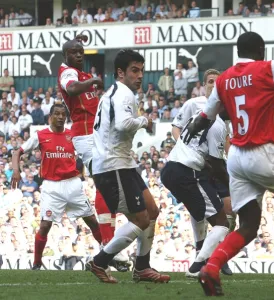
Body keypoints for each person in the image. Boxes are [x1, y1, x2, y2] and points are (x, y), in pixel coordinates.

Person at [184, 31, 274, 296]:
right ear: (260, 50)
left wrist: (192, 127)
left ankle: (211, 267)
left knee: (248, 226)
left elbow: (205, 116)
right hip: (263, 150)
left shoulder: (224, 79)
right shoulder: (268, 69)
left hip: (237, 157)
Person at [87, 49, 170, 284]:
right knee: (141, 219)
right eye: (135, 70)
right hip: (113, 166)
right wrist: (145, 120)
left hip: (123, 163)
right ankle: (100, 262)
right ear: (120, 72)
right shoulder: (123, 93)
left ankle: (142, 267)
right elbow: (124, 125)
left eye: (141, 70)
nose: (140, 75)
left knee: (152, 211)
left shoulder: (114, 93)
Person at [58, 34, 129, 271]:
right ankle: (109, 244)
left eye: (81, 51)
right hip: (85, 135)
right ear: (66, 55)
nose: (80, 54)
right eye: (75, 52)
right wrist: (93, 82)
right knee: (104, 183)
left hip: (96, 133)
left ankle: (109, 247)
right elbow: (72, 87)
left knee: (109, 185)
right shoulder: (69, 72)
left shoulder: (83, 73)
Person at [11, 104, 103, 270]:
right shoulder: (41, 135)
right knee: (45, 225)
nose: (61, 117)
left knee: (91, 220)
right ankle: (37, 262)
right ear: (50, 117)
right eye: (57, 114)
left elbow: (90, 152)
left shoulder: (72, 136)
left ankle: (107, 254)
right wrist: (16, 171)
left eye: (63, 114)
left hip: (73, 184)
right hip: (51, 187)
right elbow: (17, 152)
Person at [172, 68, 234, 277]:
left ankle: (219, 255)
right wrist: (185, 149)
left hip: (217, 164)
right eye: (210, 82)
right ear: (203, 84)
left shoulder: (225, 108)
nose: (213, 85)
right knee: (199, 211)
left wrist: (230, 162)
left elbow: (226, 137)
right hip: (197, 165)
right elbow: (177, 127)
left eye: (217, 82)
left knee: (228, 210)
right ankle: (201, 252)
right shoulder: (193, 104)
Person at [161, 110, 231, 279]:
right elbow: (216, 164)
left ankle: (202, 253)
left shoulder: (199, 115)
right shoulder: (218, 125)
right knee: (222, 223)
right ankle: (198, 266)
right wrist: (233, 185)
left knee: (200, 214)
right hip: (187, 172)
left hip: (169, 169)